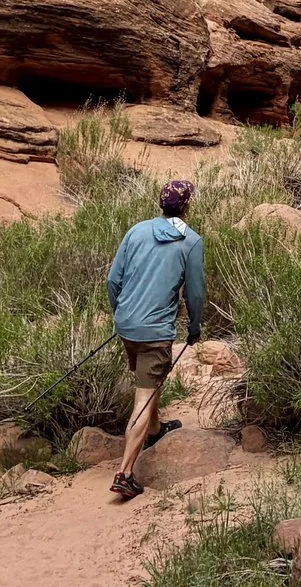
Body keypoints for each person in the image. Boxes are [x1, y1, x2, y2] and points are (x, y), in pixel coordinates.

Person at [103, 178, 206, 503]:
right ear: (187, 206)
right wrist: (195, 327)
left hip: (127, 326)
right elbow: (195, 293)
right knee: (144, 396)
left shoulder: (137, 230)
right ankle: (126, 473)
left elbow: (112, 280)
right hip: (155, 331)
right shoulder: (190, 242)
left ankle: (154, 429)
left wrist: (122, 313)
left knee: (149, 380)